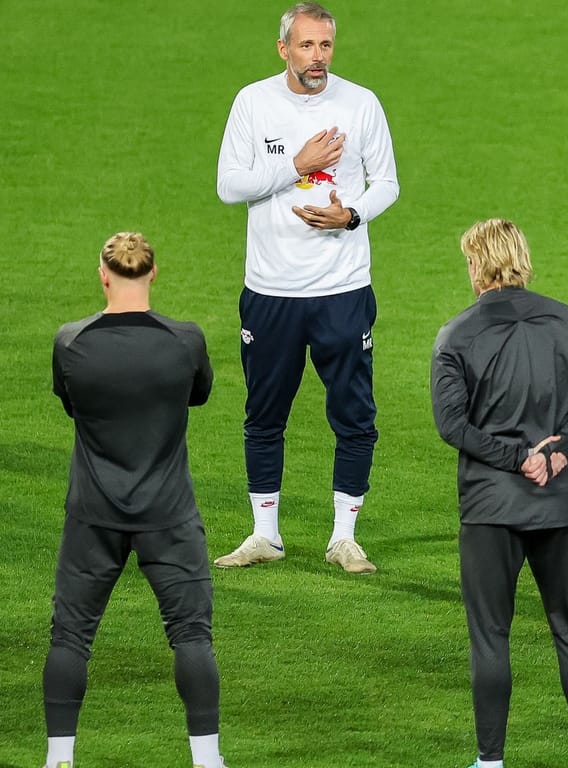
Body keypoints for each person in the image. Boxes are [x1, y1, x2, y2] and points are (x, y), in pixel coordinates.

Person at [214, 2, 400, 574]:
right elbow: (229, 185)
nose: (317, 57)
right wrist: (297, 163)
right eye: (306, 46)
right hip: (270, 290)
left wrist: (352, 217)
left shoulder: (360, 102)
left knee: (354, 415)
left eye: (325, 46)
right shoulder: (253, 102)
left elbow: (386, 183)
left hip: (342, 288)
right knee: (264, 413)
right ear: (283, 49)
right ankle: (264, 534)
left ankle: (344, 536)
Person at [432, 219, 568, 768]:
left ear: (476, 265)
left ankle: (490, 762)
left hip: (490, 507)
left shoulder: (455, 335)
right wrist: (557, 451)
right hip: (558, 501)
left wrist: (516, 458)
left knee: (490, 636)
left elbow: (452, 426)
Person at [45, 233, 225, 768]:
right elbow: (199, 394)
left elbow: (70, 403)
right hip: (169, 514)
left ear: (103, 274)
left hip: (92, 514)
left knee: (71, 637)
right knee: (191, 635)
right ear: (153, 272)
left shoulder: (70, 342)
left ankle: (59, 759)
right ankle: (208, 760)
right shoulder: (184, 341)